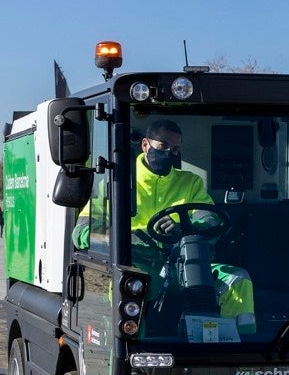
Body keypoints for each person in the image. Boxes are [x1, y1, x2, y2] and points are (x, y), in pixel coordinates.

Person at [72, 119, 256, 334]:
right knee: (127, 283)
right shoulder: (115, 184)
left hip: (186, 263)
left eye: (176, 149)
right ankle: (130, 352)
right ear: (145, 145)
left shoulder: (190, 182)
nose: (170, 153)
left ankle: (238, 357)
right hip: (137, 263)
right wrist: (130, 239)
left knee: (238, 279)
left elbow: (211, 221)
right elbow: (82, 232)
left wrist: (184, 228)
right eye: (163, 147)